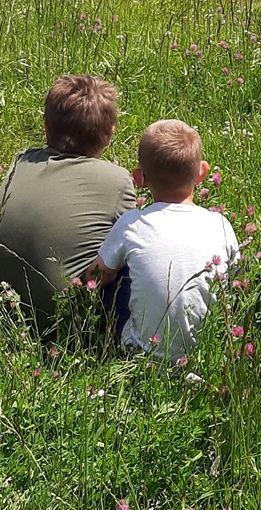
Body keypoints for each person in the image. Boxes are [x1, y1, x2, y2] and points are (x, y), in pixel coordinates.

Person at [0, 75, 134, 338]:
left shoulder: (23, 161)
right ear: (110, 133)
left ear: (46, 126)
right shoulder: (118, 181)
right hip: (61, 325)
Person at [87, 120, 238, 359]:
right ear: (202, 172)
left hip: (140, 352)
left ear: (140, 179)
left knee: (115, 277)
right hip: (207, 352)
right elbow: (236, 281)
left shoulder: (132, 223)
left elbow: (96, 275)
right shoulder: (220, 224)